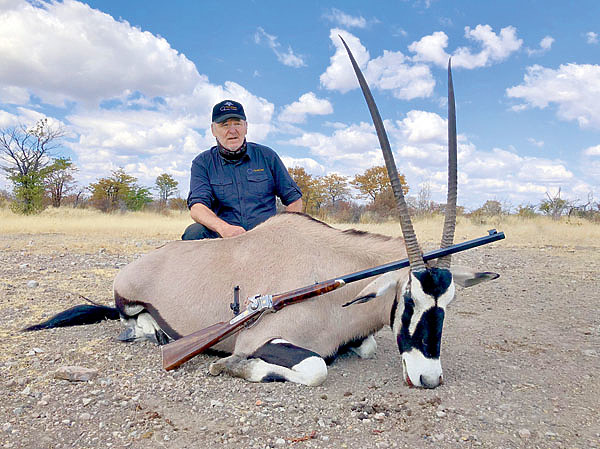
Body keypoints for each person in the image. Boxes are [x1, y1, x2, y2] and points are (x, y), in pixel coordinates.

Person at [182, 100, 302, 240]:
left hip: (266, 238)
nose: (232, 131)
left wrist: (281, 230)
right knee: (194, 232)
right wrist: (224, 228)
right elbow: (197, 208)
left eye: (237, 123)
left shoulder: (267, 156)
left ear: (246, 127)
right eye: (224, 124)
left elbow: (294, 200)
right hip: (224, 238)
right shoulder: (202, 163)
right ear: (213, 130)